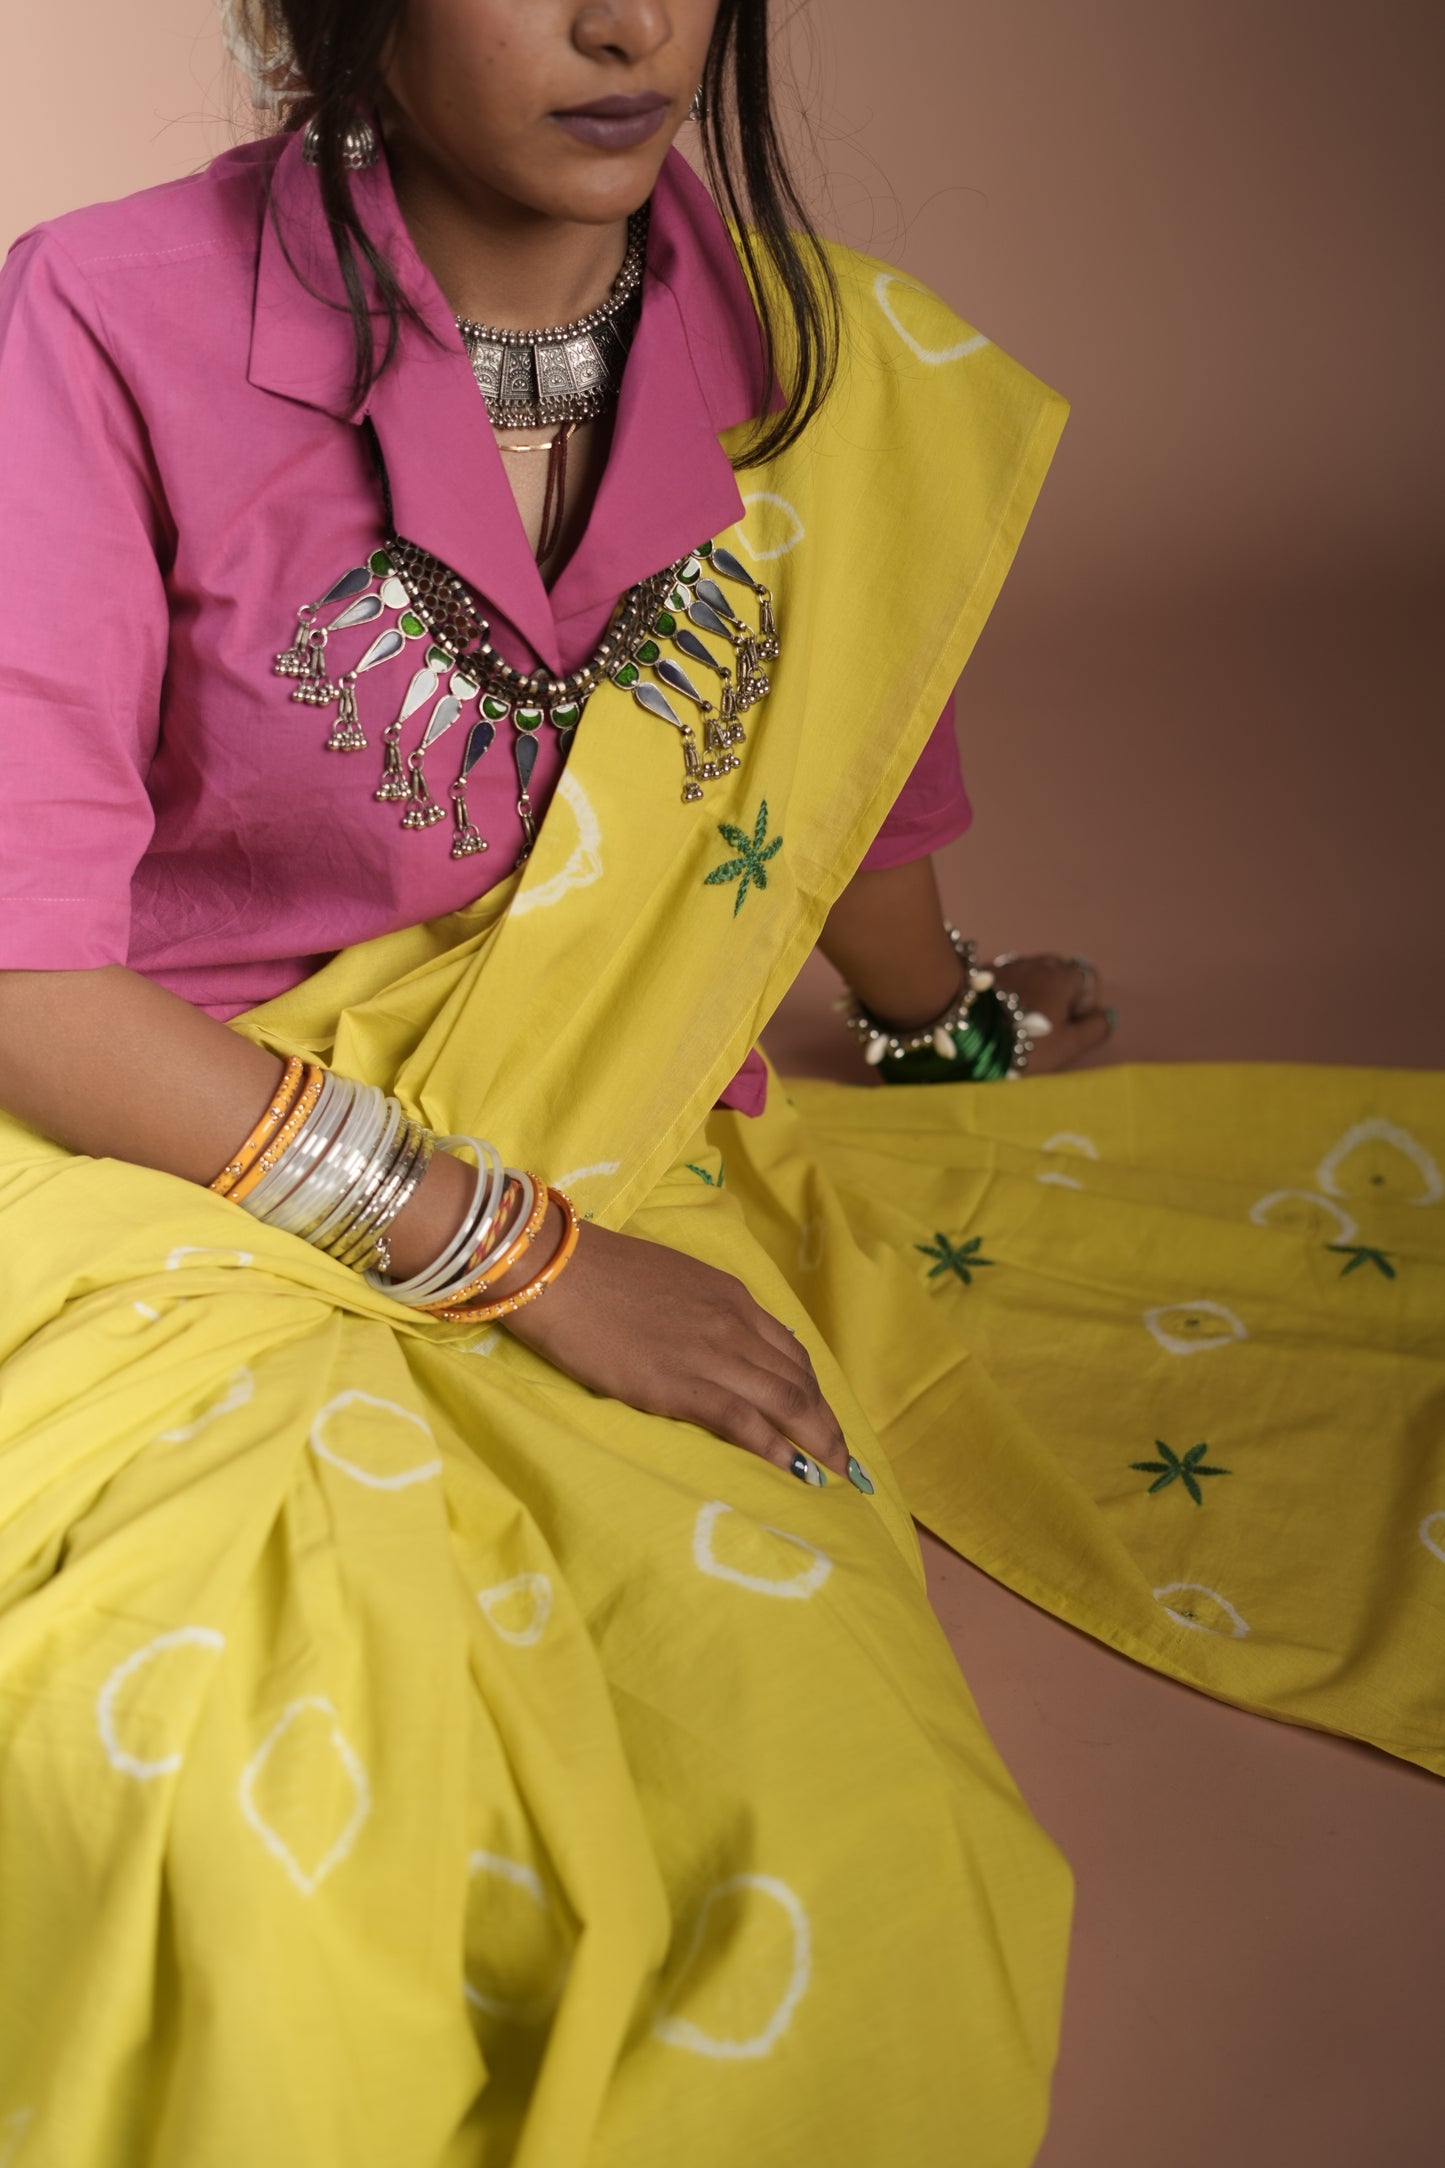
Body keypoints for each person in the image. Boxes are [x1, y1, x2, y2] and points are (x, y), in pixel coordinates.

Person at [0, 3, 1437, 2163]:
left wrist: (943, 1024)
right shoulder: (107, 322)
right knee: (222, 1807)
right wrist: (526, 1258)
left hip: (612, 1128)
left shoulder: (818, 358)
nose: (627, 21)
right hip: (149, 1149)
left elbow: (830, 772)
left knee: (857, 1848)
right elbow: (27, 974)